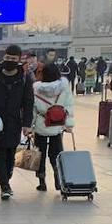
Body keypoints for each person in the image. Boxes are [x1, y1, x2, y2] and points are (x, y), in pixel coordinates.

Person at [0, 45, 34, 200]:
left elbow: (28, 102)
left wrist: (27, 124)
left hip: (14, 121)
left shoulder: (24, 79)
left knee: (10, 153)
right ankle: (4, 185)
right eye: (7, 58)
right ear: (4, 57)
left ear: (18, 60)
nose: (9, 61)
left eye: (13, 59)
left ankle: (7, 177)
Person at [30, 61, 75, 193]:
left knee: (39, 154)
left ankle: (42, 182)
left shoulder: (37, 88)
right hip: (57, 124)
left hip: (41, 124)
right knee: (56, 153)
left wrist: (30, 127)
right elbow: (69, 106)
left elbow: (33, 109)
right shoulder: (64, 87)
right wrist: (69, 125)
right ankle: (58, 180)